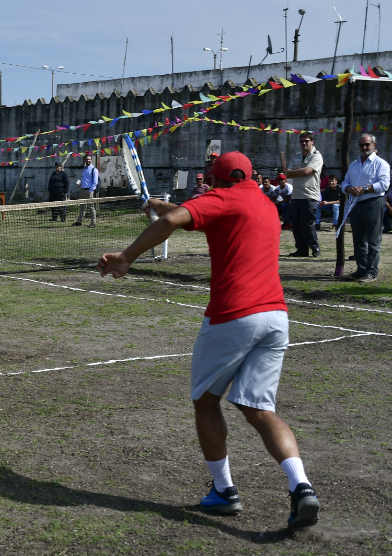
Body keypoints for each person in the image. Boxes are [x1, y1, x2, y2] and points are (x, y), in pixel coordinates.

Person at [97, 151, 320, 530]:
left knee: (205, 400)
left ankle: (224, 491)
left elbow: (176, 218)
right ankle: (301, 487)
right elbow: (198, 216)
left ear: (214, 180)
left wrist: (127, 256)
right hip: (276, 317)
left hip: (234, 316)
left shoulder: (220, 198)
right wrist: (157, 204)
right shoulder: (263, 202)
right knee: (260, 409)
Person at [342, 133, 391, 281]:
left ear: (374, 145)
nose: (364, 147)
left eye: (367, 145)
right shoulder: (354, 164)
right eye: (362, 145)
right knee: (358, 239)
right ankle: (361, 269)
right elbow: (344, 182)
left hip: (373, 202)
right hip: (356, 203)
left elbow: (384, 185)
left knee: (373, 239)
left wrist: (364, 189)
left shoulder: (381, 164)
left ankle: (371, 271)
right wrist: (350, 188)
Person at [282, 133, 324, 256]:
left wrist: (293, 172)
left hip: (309, 195)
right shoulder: (296, 156)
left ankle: (314, 247)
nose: (304, 143)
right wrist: (293, 173)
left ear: (312, 142)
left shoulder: (316, 156)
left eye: (306, 141)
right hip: (295, 195)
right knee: (295, 224)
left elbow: (307, 171)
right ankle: (302, 249)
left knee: (307, 223)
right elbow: (287, 174)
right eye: (302, 141)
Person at [73, 154, 98, 227]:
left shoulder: (94, 169)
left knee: (91, 207)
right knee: (82, 207)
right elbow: (83, 179)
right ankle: (79, 222)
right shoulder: (84, 169)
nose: (88, 160)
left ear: (91, 160)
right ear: (84, 160)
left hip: (89, 191)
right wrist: (79, 183)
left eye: (89, 159)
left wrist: (90, 190)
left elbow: (95, 182)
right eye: (86, 159)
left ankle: (93, 223)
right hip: (82, 190)